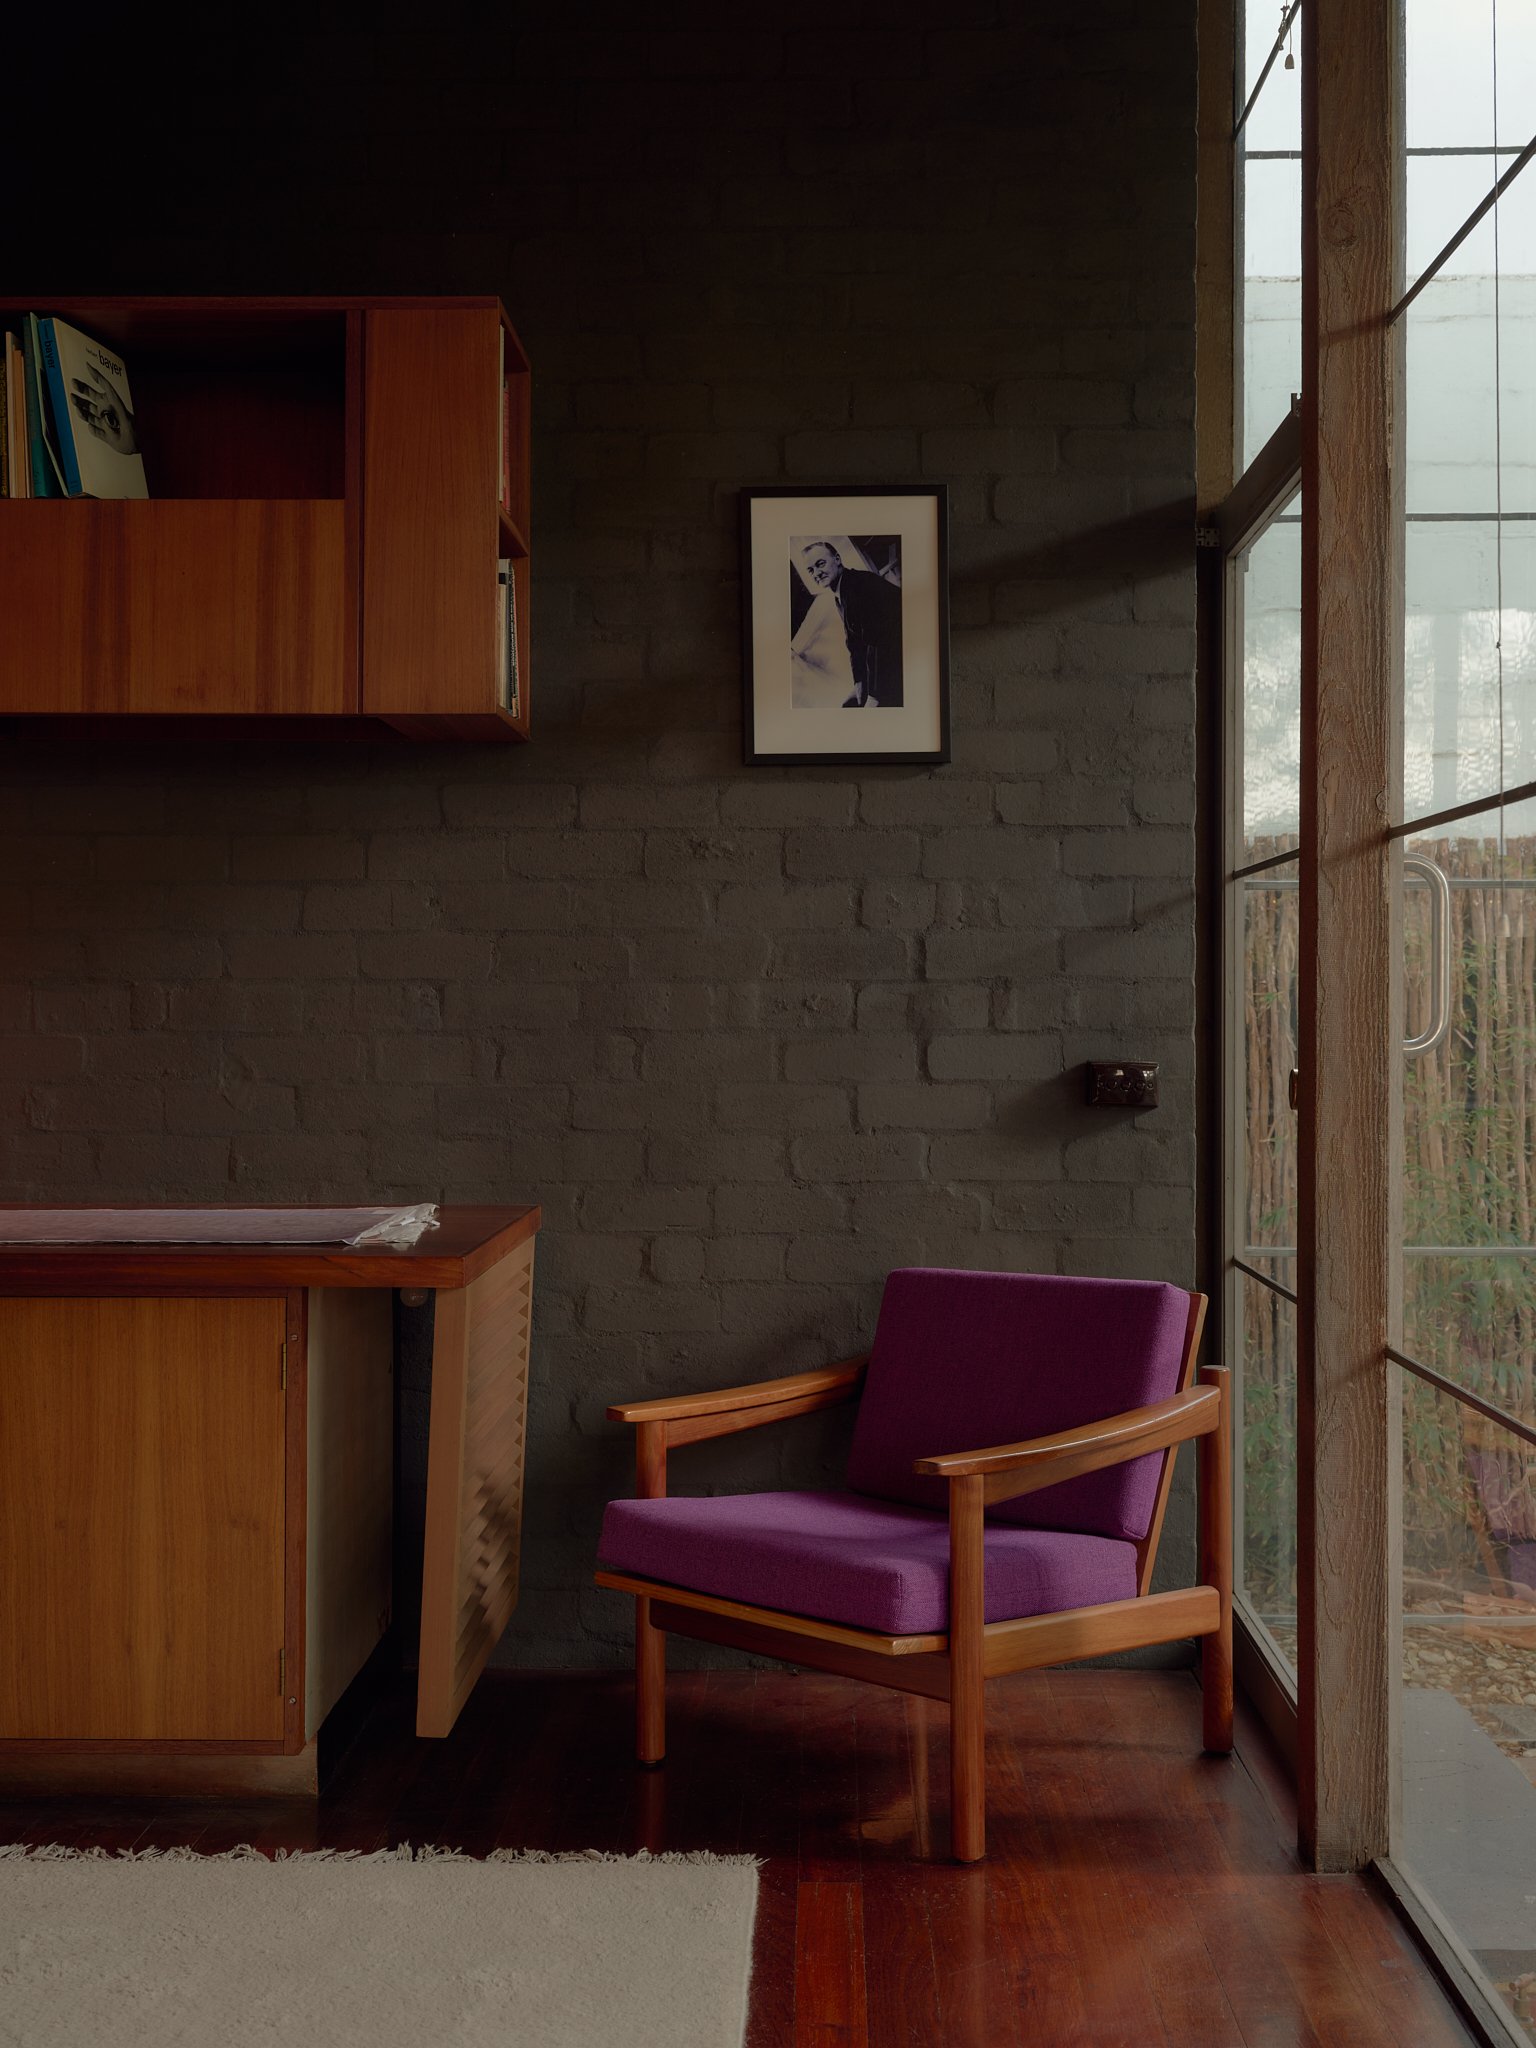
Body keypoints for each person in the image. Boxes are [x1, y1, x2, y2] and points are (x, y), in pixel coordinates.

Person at [795, 540, 903, 707]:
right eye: (811, 570)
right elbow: (854, 644)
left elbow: (877, 642)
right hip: (891, 657)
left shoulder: (858, 586)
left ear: (837, 559)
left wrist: (874, 695)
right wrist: (858, 682)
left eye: (820, 564)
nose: (816, 572)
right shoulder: (841, 593)